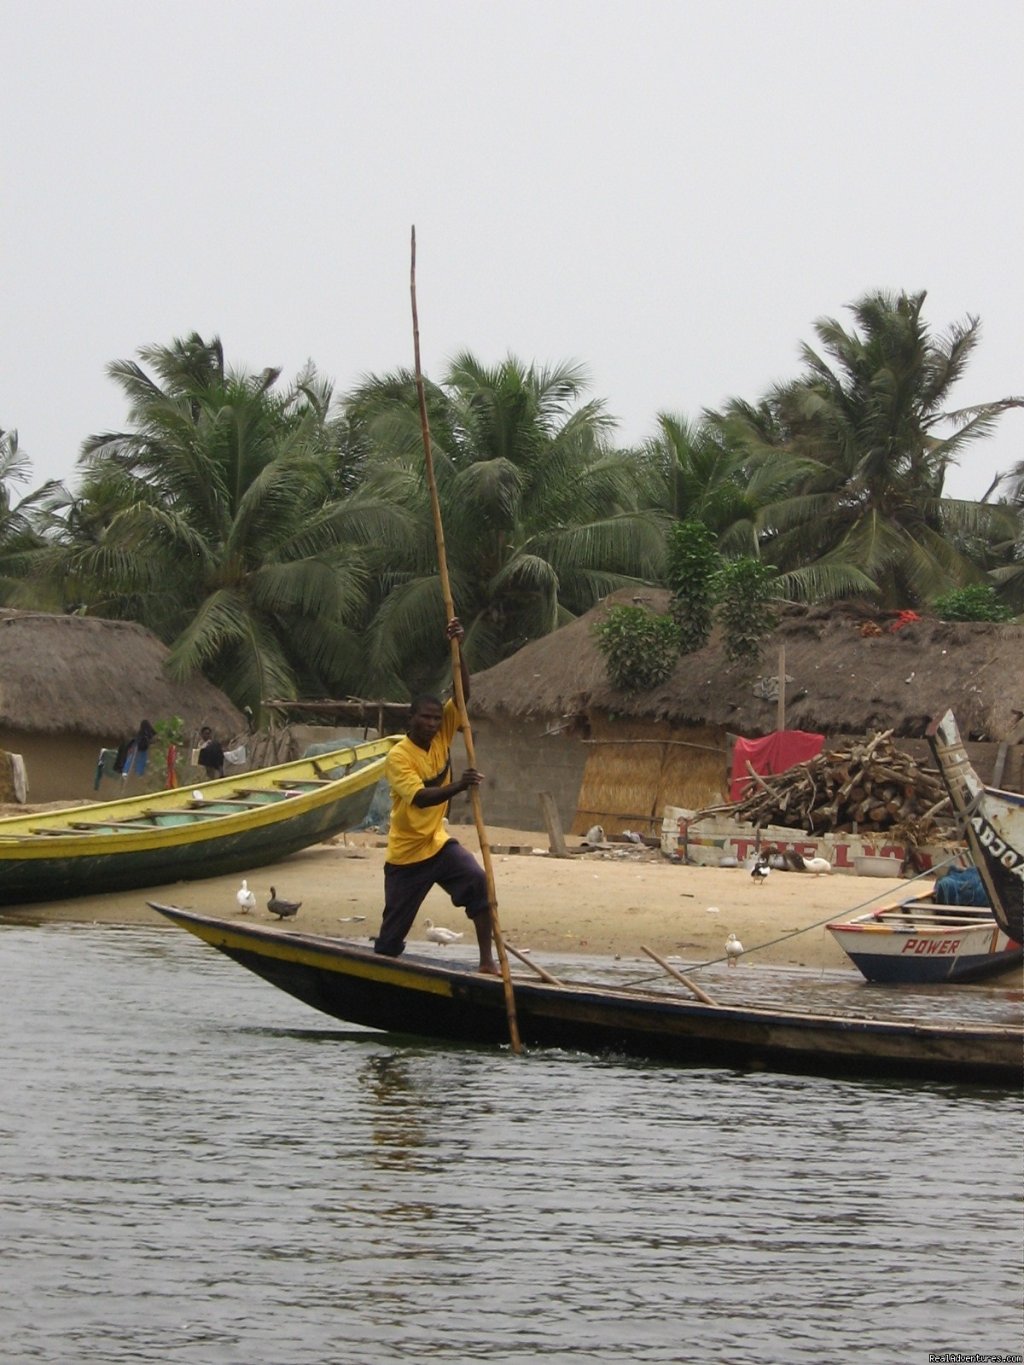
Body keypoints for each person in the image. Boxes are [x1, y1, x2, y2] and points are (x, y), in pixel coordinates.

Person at [373, 618, 498, 974]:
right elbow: (421, 798)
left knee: (477, 882)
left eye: (434, 718)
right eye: (424, 719)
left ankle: (487, 962)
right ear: (410, 719)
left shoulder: (443, 733)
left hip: (437, 843)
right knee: (389, 942)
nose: (431, 723)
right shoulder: (399, 756)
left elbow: (462, 696)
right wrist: (460, 786)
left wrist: (458, 647)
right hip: (406, 856)